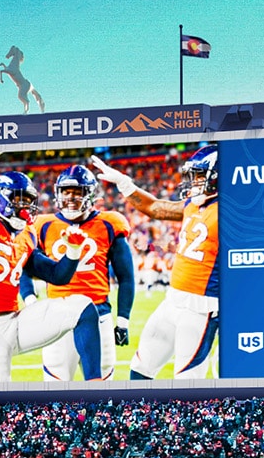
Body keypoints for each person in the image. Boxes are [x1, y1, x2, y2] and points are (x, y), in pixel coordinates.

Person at [0, 152, 101, 382]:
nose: (26, 207)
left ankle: (95, 384)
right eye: (20, 199)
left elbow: (57, 275)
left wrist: (73, 250)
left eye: (30, 202)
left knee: (82, 307)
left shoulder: (26, 235)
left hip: (16, 320)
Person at [91, 146, 220, 379]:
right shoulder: (193, 204)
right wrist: (125, 184)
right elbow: (155, 208)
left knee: (187, 383)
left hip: (202, 308)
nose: (194, 182)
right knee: (141, 368)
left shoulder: (232, 213)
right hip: (172, 300)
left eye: (200, 176)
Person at [23, 164, 135, 381]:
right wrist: (29, 300)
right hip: (57, 314)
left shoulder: (110, 223)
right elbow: (24, 265)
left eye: (78, 192)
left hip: (98, 313)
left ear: (91, 195)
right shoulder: (43, 225)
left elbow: (126, 277)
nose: (71, 198)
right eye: (66, 192)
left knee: (101, 390)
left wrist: (123, 320)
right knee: (56, 386)